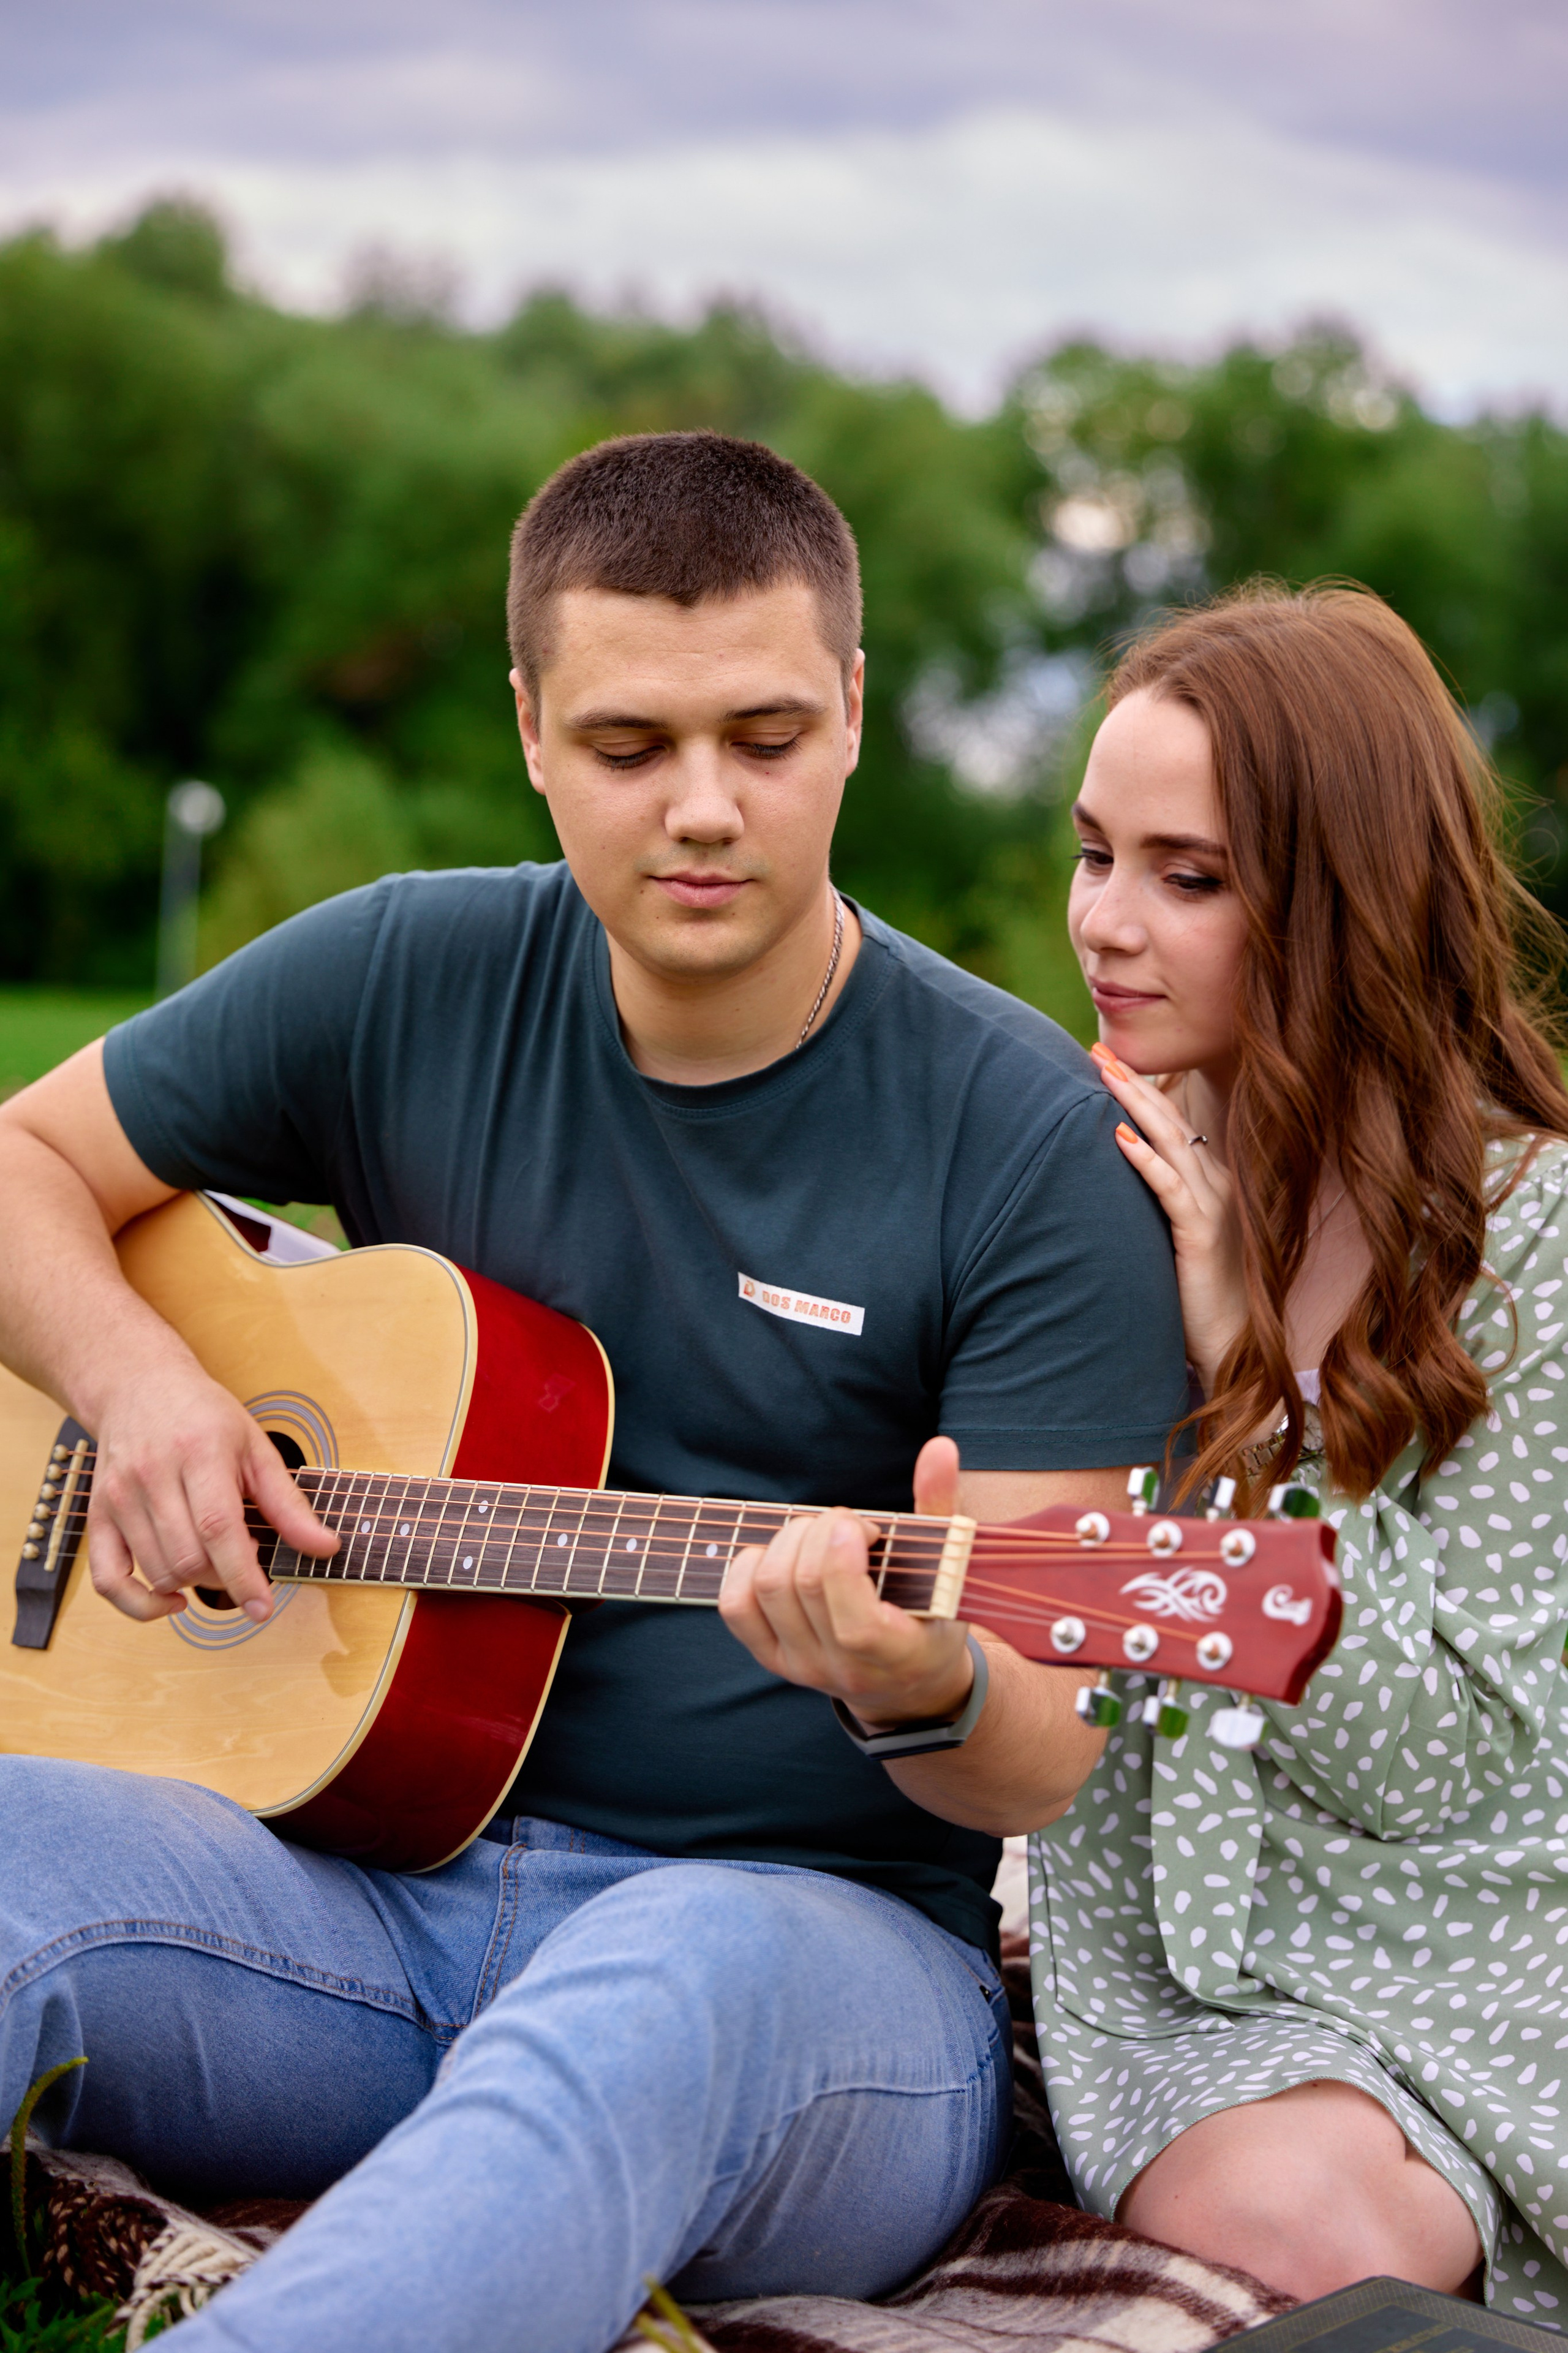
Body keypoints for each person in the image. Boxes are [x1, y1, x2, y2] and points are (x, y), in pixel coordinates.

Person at [0, 431, 1188, 2353]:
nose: (704, 808)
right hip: (351, 1895)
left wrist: (918, 1674)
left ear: (860, 713)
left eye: (768, 736)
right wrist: (138, 1386)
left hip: (813, 1970)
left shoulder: (1030, 1146)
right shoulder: (405, 972)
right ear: (534, 727)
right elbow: (21, 1163)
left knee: (657, 1978)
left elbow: (1044, 1737)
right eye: (632, 747)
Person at [1033, 580, 1568, 2324]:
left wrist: (1253, 1396)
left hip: (1481, 1944)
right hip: (1180, 1974)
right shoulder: (1071, 1185)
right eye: (1097, 851)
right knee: (1283, 2209)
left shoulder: (1534, 1236)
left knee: (1317, 2227)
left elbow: (1442, 1774)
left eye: (1188, 876)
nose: (1107, 922)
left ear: (1342, 900)